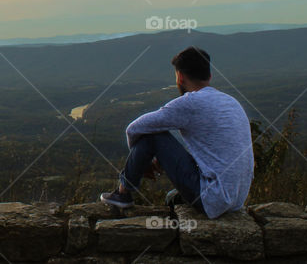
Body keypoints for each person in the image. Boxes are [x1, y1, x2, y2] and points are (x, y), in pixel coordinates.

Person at [100, 46, 253, 219]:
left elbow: (134, 128)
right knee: (172, 198)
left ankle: (123, 192)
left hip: (213, 198)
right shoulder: (231, 102)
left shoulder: (190, 103)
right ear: (209, 76)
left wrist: (142, 160)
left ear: (180, 77)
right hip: (236, 199)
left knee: (153, 136)